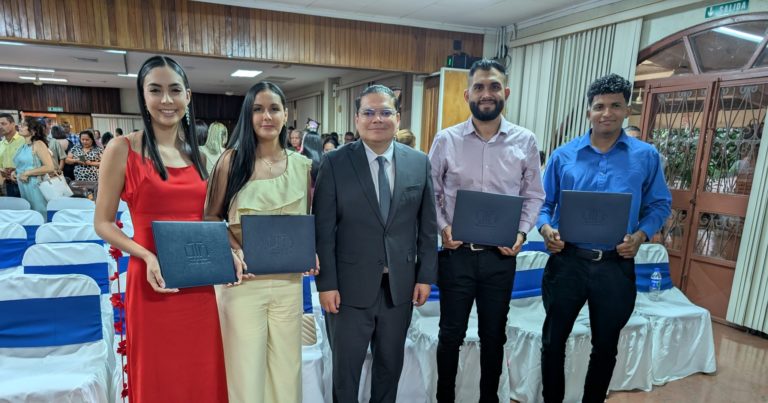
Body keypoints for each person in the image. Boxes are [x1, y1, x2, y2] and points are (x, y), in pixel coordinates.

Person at [93, 55, 229, 403]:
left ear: (188, 96)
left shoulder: (199, 155)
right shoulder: (121, 149)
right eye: (155, 90)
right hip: (151, 278)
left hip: (198, 280)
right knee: (157, 370)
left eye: (174, 90)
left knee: (202, 368)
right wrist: (146, 255)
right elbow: (103, 222)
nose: (166, 100)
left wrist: (230, 252)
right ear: (143, 95)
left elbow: (210, 219)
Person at [537, 74, 671, 403]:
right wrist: (545, 229)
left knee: (606, 346)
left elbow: (659, 204)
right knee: (553, 342)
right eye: (599, 106)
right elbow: (543, 204)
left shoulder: (645, 156)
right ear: (588, 112)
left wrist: (641, 235)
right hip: (567, 262)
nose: (606, 113)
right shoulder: (563, 155)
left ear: (627, 110)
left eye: (615, 105)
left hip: (616, 265)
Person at [429, 59, 545, 403]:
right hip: (457, 256)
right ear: (468, 94)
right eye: (479, 87)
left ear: (505, 92)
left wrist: (522, 234)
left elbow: (534, 195)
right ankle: (444, 398)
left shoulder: (525, 141)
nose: (486, 94)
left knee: (495, 337)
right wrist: (444, 227)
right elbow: (430, 192)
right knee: (450, 335)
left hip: (500, 258)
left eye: (493, 86)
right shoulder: (446, 140)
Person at [314, 84, 438, 403]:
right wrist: (325, 284)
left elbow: (426, 227)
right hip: (348, 290)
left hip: (399, 288)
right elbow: (324, 229)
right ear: (357, 119)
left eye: (385, 112)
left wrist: (425, 276)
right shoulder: (335, 163)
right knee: (346, 373)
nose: (377, 119)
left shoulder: (419, 163)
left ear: (397, 118)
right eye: (368, 112)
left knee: (389, 369)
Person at [204, 81, 317, 403]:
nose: (266, 116)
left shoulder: (303, 166)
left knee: (286, 369)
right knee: (244, 370)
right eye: (258, 109)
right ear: (248, 115)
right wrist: (236, 250)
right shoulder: (231, 161)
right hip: (242, 282)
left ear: (286, 115)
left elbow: (306, 221)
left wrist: (313, 249)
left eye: (274, 108)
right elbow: (211, 217)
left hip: (288, 282)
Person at [12, 117, 55, 218]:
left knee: (39, 213)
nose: (19, 127)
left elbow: (49, 167)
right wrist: (15, 172)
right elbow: (22, 165)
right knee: (29, 214)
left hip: (36, 185)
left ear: (33, 130)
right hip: (24, 185)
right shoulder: (23, 146)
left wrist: (27, 173)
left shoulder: (38, 144)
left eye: (23, 125)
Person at [0, 113, 24, 197]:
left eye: (3, 124)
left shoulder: (24, 139)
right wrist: (2, 170)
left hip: (25, 182)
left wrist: (16, 170)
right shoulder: (1, 144)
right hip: (8, 184)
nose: (0, 127)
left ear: (13, 124)